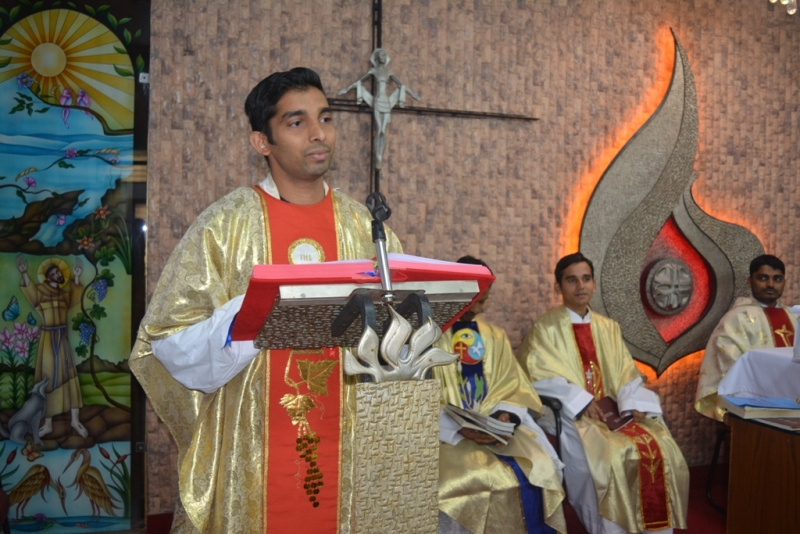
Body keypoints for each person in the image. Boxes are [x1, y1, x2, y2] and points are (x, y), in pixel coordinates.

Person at [129, 68, 402, 533]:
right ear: (262, 142)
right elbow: (165, 341)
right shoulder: (225, 224)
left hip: (347, 448)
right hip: (253, 449)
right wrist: (251, 317)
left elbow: (399, 333)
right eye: (297, 122)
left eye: (326, 118)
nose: (319, 133)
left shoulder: (366, 228)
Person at [517, 253, 688, 534]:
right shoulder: (545, 330)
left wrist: (631, 403)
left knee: (658, 442)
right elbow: (536, 375)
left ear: (594, 284)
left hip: (614, 409)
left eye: (586, 279)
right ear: (558, 286)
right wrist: (580, 401)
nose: (580, 286)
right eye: (571, 280)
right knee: (604, 458)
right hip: (571, 412)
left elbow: (625, 372)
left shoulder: (608, 327)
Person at [434, 256, 565, 534]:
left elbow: (514, 386)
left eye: (483, 301)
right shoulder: (427, 338)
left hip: (495, 431)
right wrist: (457, 427)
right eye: (471, 301)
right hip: (445, 437)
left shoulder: (494, 336)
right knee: (462, 484)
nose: (476, 309)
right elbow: (413, 399)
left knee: (541, 467)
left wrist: (505, 415)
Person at [695, 254, 797, 421]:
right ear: (750, 281)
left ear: (784, 282)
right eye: (763, 278)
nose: (770, 284)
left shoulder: (794, 317)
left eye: (777, 279)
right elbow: (730, 365)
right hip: (757, 402)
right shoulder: (737, 318)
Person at [17, 256, 89, 440]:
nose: (59, 274)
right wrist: (24, 273)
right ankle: (47, 424)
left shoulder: (63, 294)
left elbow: (75, 297)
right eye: (55, 273)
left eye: (59, 272)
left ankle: (75, 420)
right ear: (48, 276)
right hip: (48, 340)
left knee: (70, 375)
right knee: (47, 379)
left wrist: (77, 276)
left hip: (62, 338)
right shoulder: (40, 293)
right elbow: (30, 293)